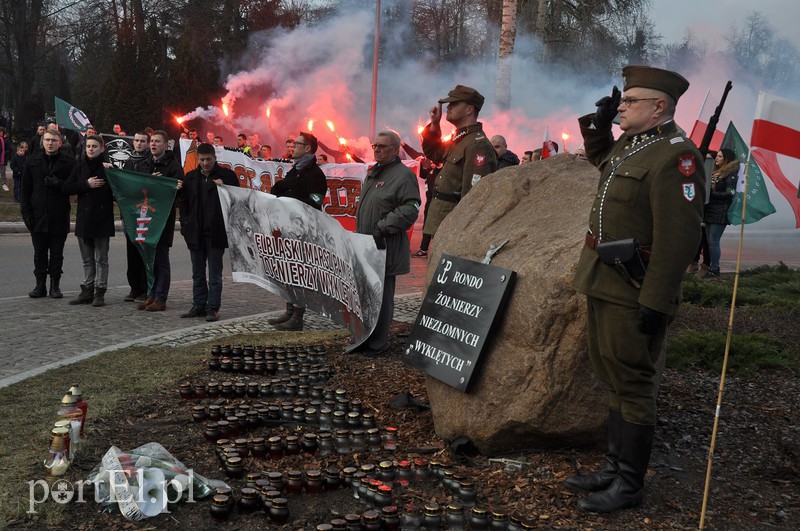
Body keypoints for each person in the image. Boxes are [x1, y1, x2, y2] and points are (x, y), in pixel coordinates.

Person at [569, 65, 705, 513]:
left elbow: (678, 238)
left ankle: (629, 484)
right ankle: (613, 467)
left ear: (658, 107)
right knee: (612, 375)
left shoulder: (677, 157)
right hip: (605, 277)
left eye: (630, 102)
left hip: (635, 286)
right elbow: (602, 161)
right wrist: (599, 125)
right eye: (621, 102)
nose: (621, 106)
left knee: (633, 380)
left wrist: (656, 299)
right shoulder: (635, 143)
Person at [355, 130, 420, 355]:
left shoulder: (403, 175)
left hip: (385, 246)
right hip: (367, 245)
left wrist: (383, 227)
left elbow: (411, 208)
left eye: (382, 146)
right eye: (375, 146)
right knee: (366, 295)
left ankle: (378, 344)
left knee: (381, 298)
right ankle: (365, 338)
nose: (376, 149)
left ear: (395, 149)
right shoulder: (374, 172)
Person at [267, 131, 328, 331]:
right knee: (287, 271)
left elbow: (314, 202)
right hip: (287, 229)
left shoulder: (315, 174)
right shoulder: (296, 170)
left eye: (297, 144)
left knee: (299, 272)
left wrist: (289, 201)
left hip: (303, 231)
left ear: (308, 148)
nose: (293, 147)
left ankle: (298, 316)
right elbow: (281, 188)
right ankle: (289, 310)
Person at [421, 84, 497, 239]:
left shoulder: (477, 144)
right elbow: (433, 152)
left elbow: (474, 195)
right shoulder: (460, 139)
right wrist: (435, 124)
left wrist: (461, 232)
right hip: (442, 221)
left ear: (469, 109)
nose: (448, 107)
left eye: (454, 103)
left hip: (453, 225)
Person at [178, 143, 239, 321]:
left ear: (215, 158)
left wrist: (225, 188)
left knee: (214, 273)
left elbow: (237, 199)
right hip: (195, 232)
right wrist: (185, 223)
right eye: (202, 160)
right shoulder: (190, 178)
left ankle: (213, 307)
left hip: (216, 233)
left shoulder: (227, 176)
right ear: (198, 159)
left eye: (208, 160)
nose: (205, 163)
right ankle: (198, 304)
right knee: (197, 272)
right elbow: (183, 202)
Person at [130, 130, 184, 312]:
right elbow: (138, 187)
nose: (152, 144)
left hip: (162, 220)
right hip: (146, 219)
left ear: (165, 145)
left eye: (157, 142)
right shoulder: (145, 164)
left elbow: (178, 191)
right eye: (151, 141)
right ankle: (150, 294)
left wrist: (167, 184)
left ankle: (161, 297)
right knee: (149, 260)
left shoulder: (173, 166)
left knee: (161, 259)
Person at [20, 128, 76, 298]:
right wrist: (27, 215)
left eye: (53, 140)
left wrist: (58, 183)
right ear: (42, 141)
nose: (50, 143)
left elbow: (72, 189)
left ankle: (55, 286)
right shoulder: (31, 162)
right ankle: (40, 286)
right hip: (37, 216)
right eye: (47, 140)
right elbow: (25, 192)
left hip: (59, 215)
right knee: (39, 254)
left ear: (60, 143)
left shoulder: (69, 162)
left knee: (57, 254)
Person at [62, 134, 115, 307]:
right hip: (84, 219)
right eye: (88, 146)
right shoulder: (79, 166)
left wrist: (113, 172)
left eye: (94, 146)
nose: (91, 149)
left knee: (102, 258)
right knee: (87, 259)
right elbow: (67, 187)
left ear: (102, 148)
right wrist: (86, 184)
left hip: (102, 219)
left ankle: (100, 291)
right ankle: (87, 290)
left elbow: (118, 191)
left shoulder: (108, 167)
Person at [121, 131, 151, 302]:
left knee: (143, 254)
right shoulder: (129, 162)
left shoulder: (149, 162)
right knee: (131, 253)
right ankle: (134, 288)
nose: (139, 143)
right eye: (137, 140)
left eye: (142, 141)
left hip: (146, 214)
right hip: (131, 214)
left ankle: (144, 287)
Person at [703, 148, 738, 278]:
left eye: (720, 157)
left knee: (713, 241)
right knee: (709, 240)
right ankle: (711, 267)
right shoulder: (714, 172)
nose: (716, 158)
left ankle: (714, 268)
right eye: (717, 156)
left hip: (720, 210)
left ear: (726, 159)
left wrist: (712, 193)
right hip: (709, 209)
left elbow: (730, 194)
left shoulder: (730, 174)